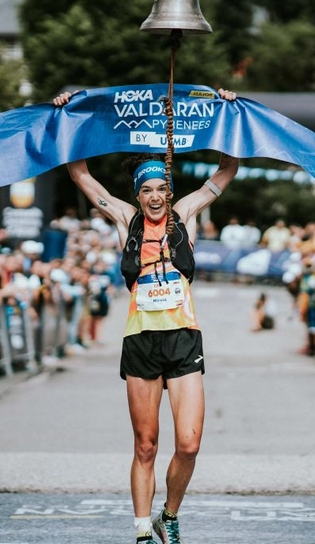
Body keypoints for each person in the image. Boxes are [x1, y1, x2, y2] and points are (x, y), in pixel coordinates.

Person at [53, 87, 239, 544]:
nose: (155, 197)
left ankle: (168, 515)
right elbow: (80, 173)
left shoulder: (186, 214)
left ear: (170, 191)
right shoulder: (124, 220)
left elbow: (227, 168)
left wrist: (225, 109)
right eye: (147, 190)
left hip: (183, 339)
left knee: (190, 443)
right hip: (141, 341)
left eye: (161, 188)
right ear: (137, 194)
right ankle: (141, 531)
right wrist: (71, 111)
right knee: (146, 444)